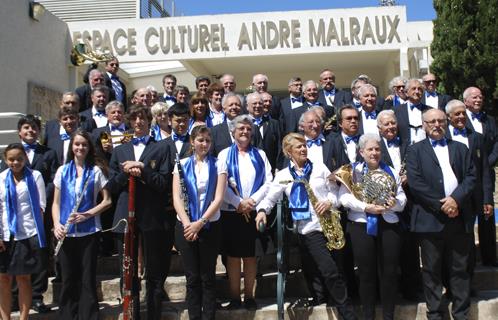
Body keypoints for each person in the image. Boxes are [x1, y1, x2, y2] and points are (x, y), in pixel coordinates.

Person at [255, 133, 356, 319]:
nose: (303, 149)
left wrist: (328, 202)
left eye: (304, 146)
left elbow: (334, 191)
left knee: (337, 268)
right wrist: (262, 210)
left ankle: (331, 300)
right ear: (288, 152)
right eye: (298, 147)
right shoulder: (284, 175)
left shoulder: (319, 167)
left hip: (331, 224)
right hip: (309, 228)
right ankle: (348, 313)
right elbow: (270, 197)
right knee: (329, 270)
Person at [406, 108, 475, 320]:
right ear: (424, 125)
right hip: (430, 219)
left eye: (441, 121)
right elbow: (416, 183)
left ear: (446, 123)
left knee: (459, 269)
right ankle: (435, 314)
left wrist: (456, 200)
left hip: (458, 217)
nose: (437, 125)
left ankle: (461, 314)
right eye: (432, 121)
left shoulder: (461, 148)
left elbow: (471, 176)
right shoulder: (415, 151)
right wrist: (441, 204)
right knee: (432, 271)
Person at [107, 105, 172, 319]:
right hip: (125, 217)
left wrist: (143, 168)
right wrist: (126, 172)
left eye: (142, 118)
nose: (138, 122)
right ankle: (131, 314)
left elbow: (163, 183)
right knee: (127, 272)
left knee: (154, 272)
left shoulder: (162, 147)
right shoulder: (119, 151)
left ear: (149, 120)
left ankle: (153, 315)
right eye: (134, 118)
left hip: (152, 217)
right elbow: (112, 187)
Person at [338, 133, 406, 320]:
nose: (374, 153)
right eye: (370, 149)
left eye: (377, 149)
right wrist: (366, 207)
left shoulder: (391, 170)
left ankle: (388, 316)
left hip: (389, 224)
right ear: (361, 152)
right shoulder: (351, 171)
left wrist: (393, 204)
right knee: (366, 274)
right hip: (361, 225)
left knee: (389, 273)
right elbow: (343, 198)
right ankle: (368, 315)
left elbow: (402, 199)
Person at [52, 130, 111, 320]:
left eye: (84, 144)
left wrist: (87, 214)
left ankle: (88, 316)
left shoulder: (96, 171)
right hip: (66, 234)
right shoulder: (62, 170)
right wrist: (56, 224)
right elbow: (56, 203)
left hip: (89, 232)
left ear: (89, 147)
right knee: (68, 278)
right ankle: (67, 315)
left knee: (87, 278)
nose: (80, 148)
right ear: (72, 147)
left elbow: (107, 201)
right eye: (77, 144)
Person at [217, 115, 273, 310]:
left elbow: (268, 181)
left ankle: (249, 297)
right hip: (231, 212)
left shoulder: (260, 154)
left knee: (250, 256)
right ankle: (234, 298)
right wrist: (238, 202)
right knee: (233, 257)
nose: (245, 132)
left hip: (253, 210)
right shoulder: (224, 154)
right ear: (233, 132)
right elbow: (221, 183)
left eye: (248, 129)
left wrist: (253, 202)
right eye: (241, 128)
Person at [172, 125, 227, 320]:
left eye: (208, 141)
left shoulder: (219, 163)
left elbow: (218, 198)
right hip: (185, 226)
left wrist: (200, 223)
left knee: (208, 277)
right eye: (200, 140)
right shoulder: (181, 163)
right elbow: (176, 198)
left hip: (209, 226)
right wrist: (188, 224)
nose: (204, 144)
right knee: (192, 278)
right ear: (192, 142)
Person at [0, 144, 47, 320]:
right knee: (3, 279)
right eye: (11, 159)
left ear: (25, 158)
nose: (15, 162)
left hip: (27, 234)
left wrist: (37, 237)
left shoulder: (35, 176)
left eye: (19, 158)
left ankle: (23, 317)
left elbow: (41, 206)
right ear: (6, 159)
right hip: (5, 234)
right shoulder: (1, 178)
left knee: (23, 278)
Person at [463, 86, 498, 266]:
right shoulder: (459, 120)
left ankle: (490, 257)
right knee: (467, 218)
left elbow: (496, 144)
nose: (478, 100)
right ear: (466, 101)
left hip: (485, 175)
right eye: (474, 97)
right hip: (466, 178)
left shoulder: (489, 120)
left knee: (487, 216)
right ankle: (469, 259)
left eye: (480, 97)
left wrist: (487, 162)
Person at [395, 78, 431, 146]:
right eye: (413, 89)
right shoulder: (397, 111)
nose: (417, 91)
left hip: (426, 149)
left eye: (419, 89)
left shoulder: (429, 110)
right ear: (406, 93)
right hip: (406, 151)